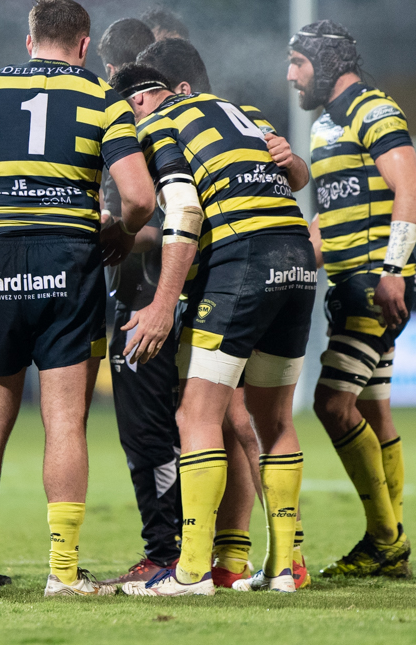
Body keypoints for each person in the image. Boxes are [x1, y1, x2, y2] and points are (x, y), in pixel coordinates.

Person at [0, 0, 156, 597]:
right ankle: (61, 573)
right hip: (69, 257)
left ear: (28, 41)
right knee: (64, 422)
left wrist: (6, 198)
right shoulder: (102, 98)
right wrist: (119, 229)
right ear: (84, 46)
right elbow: (138, 197)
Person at [109, 63, 315, 596]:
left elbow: (184, 208)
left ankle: (192, 571)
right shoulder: (237, 110)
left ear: (137, 104)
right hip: (295, 253)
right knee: (273, 419)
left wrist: (162, 303)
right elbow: (297, 174)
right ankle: (283, 568)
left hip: (242, 257)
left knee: (194, 413)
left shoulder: (156, 126)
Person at [289, 20, 416, 579]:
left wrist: (392, 269)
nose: (292, 74)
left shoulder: (374, 110)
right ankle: (389, 543)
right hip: (348, 282)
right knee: (372, 407)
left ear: (325, 63)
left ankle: (385, 538)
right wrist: (292, 259)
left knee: (331, 404)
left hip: (375, 283)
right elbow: (332, 217)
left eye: (298, 62)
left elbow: (411, 188)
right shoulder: (326, 127)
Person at [95, 20, 179, 587]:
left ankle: (168, 551)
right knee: (209, 424)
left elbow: (156, 220)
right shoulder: (188, 124)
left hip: (147, 299)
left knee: (149, 434)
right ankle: (226, 547)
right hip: (186, 296)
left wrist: (114, 231)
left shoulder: (138, 134)